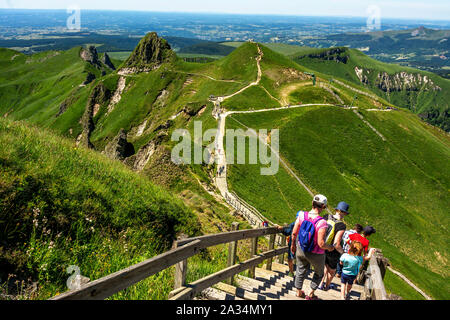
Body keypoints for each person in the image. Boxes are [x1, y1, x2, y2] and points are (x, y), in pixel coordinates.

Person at [290, 194, 334, 300]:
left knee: (300, 269)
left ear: (312, 203)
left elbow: (294, 233)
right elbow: (321, 244)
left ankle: (298, 292)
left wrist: (293, 245)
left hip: (301, 248)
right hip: (316, 254)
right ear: (323, 207)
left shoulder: (301, 215)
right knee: (319, 273)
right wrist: (330, 248)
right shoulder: (322, 222)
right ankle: (310, 293)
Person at [319, 201, 349, 291]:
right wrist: (343, 252)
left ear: (336, 210)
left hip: (323, 246)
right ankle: (327, 286)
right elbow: (337, 243)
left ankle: (320, 284)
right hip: (333, 251)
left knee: (324, 266)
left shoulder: (326, 217)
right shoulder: (341, 225)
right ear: (344, 213)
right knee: (331, 271)